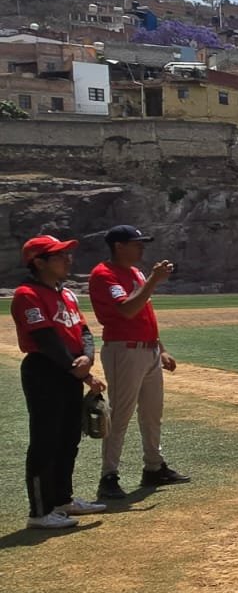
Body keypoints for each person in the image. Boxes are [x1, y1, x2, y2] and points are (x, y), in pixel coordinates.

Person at [12, 235, 108, 529]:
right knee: (45, 441)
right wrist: (73, 366)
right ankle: (39, 513)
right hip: (45, 370)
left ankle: (62, 500)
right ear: (39, 262)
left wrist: (88, 360)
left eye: (67, 254)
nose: (68, 259)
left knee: (69, 438)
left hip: (69, 371)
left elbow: (85, 331)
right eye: (59, 255)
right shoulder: (27, 294)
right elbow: (45, 338)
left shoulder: (66, 294)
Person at [87, 224, 189, 500]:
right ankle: (108, 476)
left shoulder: (134, 272)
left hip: (148, 351)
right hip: (124, 350)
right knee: (120, 414)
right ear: (119, 246)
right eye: (136, 243)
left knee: (152, 413)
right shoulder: (104, 274)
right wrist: (153, 280)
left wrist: (161, 348)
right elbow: (128, 310)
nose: (142, 246)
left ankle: (154, 467)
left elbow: (146, 313)